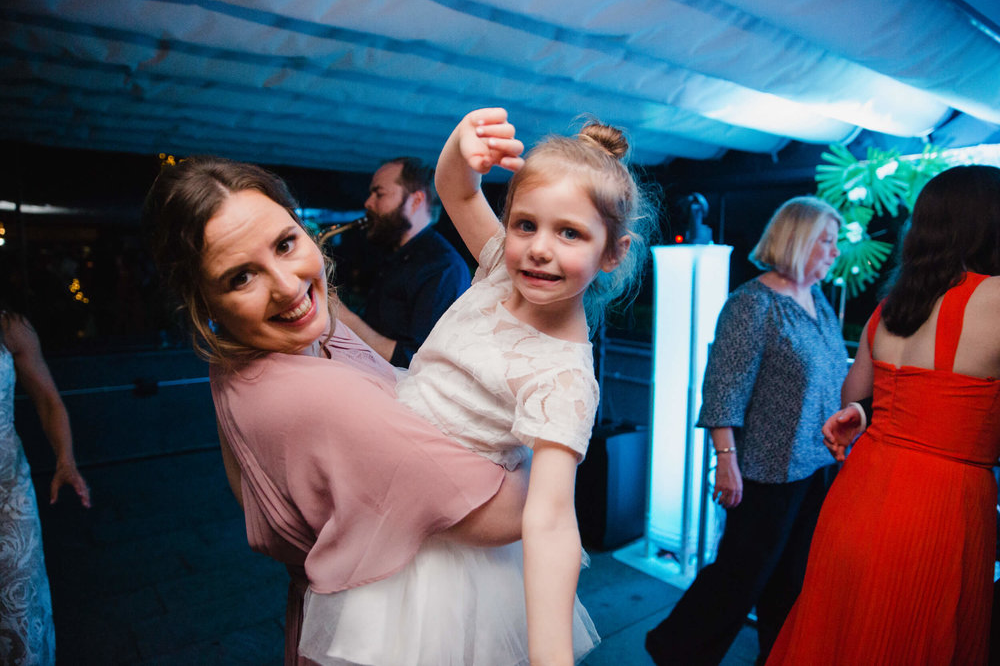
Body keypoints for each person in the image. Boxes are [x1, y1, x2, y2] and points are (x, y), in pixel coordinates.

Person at [300, 107, 654, 665]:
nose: (539, 247)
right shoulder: (496, 266)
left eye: (570, 233)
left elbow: (551, 517)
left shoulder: (564, 376)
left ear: (613, 252)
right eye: (525, 224)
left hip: (440, 550)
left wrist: (551, 656)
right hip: (393, 482)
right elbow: (456, 191)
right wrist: (462, 144)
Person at [145, 156, 531, 666]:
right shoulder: (319, 396)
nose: (286, 285)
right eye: (241, 277)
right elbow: (511, 513)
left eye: (285, 244)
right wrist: (545, 425)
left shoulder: (292, 341)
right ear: (204, 304)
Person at [766, 165, 1000, 665]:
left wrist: (863, 414)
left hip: (861, 491)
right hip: (941, 506)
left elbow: (858, 393)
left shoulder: (894, 305)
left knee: (841, 635)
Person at [645, 196, 847, 666]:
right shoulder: (752, 304)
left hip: (815, 467)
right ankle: (674, 649)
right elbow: (723, 390)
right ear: (798, 240)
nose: (834, 252)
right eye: (827, 242)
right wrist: (726, 462)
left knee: (791, 580)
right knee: (739, 578)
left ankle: (777, 656)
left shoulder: (818, 301)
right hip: (764, 472)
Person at [0, 308, 91, 665]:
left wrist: (65, 460)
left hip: (8, 499)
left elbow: (49, 401)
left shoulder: (10, 327)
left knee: (20, 620)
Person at [334, 156, 471, 367]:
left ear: (416, 201)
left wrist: (345, 319)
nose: (368, 203)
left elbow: (419, 362)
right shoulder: (395, 253)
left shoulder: (444, 267)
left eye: (379, 193)